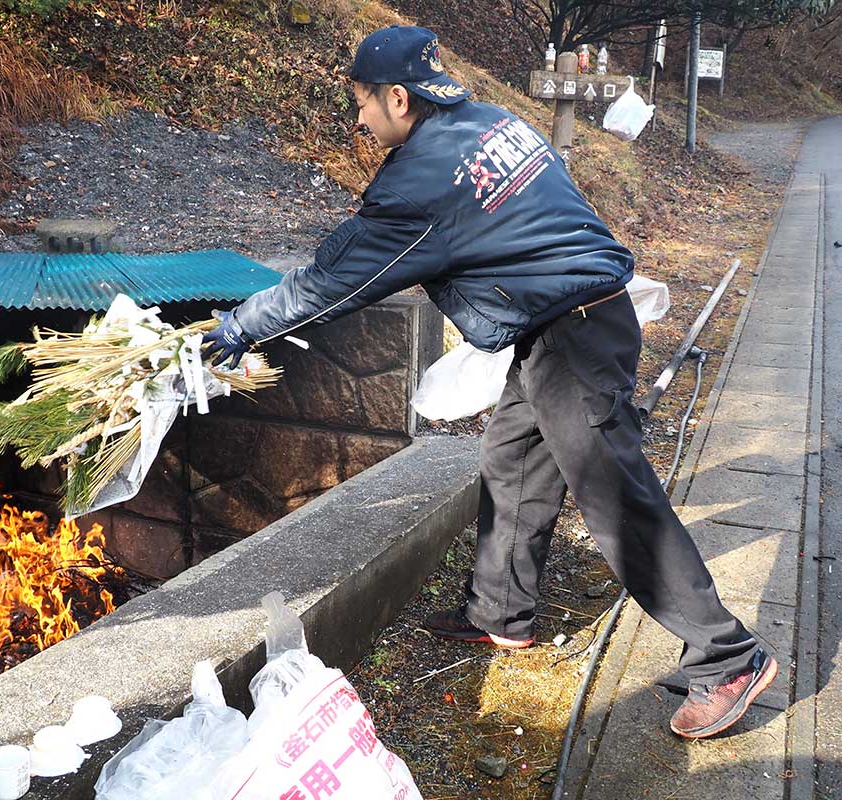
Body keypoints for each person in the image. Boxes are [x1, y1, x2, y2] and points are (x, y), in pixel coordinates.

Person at [203, 25, 776, 739]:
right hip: (566, 323)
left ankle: (727, 657)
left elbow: (329, 281)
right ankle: (500, 613)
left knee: (617, 499)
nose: (357, 120)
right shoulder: (490, 123)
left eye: (361, 103)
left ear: (397, 97)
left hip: (575, 336)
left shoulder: (417, 184)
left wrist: (237, 328)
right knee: (510, 458)